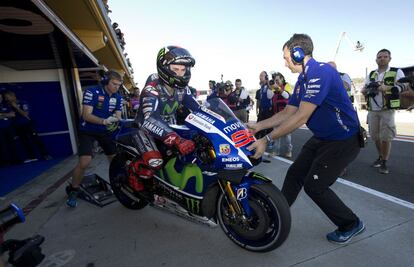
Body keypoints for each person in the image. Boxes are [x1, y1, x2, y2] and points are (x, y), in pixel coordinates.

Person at [247, 33, 365, 244]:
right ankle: (278, 214)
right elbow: (288, 112)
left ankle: (351, 223)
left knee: (314, 186)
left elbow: (301, 116)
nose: (284, 63)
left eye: (286, 57)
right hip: (322, 138)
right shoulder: (303, 80)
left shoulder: (321, 72)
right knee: (295, 174)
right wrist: (259, 126)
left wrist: (266, 140)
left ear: (297, 53)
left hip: (343, 140)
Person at [130, 46, 199, 192]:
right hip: (144, 130)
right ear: (164, 67)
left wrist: (225, 121)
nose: (180, 73)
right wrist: (176, 139)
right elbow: (149, 118)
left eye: (183, 69)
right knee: (156, 162)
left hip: (170, 129)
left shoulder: (183, 89)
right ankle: (134, 171)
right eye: (175, 69)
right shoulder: (152, 88)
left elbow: (198, 108)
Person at [66, 70, 123, 208]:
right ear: (105, 81)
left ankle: (120, 186)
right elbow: (86, 115)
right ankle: (74, 190)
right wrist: (104, 121)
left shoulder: (118, 97)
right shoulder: (92, 92)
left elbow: (118, 116)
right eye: (114, 84)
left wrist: (116, 121)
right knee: (85, 162)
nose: (117, 87)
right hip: (88, 131)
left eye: (119, 85)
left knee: (116, 162)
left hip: (105, 132)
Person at [360, 49, 405, 174]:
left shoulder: (396, 72)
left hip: (387, 109)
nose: (382, 58)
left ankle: (384, 162)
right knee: (375, 136)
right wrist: (365, 90)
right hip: (373, 109)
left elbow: (405, 87)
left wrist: (387, 88)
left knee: (386, 137)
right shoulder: (371, 74)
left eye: (385, 56)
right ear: (376, 59)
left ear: (390, 59)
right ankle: (380, 157)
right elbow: (366, 87)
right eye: (380, 57)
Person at [3, 91, 51, 162]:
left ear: (13, 96)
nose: (6, 99)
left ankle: (46, 155)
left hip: (27, 124)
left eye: (7, 97)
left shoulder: (23, 103)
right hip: (18, 126)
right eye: (5, 98)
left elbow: (25, 114)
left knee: (36, 139)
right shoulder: (7, 106)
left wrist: (16, 107)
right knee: (25, 141)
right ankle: (32, 157)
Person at [270, 72, 292, 158]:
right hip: (276, 114)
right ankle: (276, 151)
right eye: (275, 80)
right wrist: (271, 87)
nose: (276, 81)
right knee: (276, 134)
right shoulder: (274, 88)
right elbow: (269, 96)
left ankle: (289, 150)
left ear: (282, 79)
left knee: (287, 135)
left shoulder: (287, 85)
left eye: (277, 79)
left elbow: (287, 96)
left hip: (286, 114)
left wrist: (278, 88)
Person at [0, 92, 20, 165]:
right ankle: (6, 162)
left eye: (1, 97)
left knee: (12, 143)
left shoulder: (6, 105)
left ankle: (16, 160)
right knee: (3, 145)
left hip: (9, 128)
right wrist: (7, 115)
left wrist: (2, 114)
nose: (0, 99)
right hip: (0, 129)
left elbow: (13, 114)